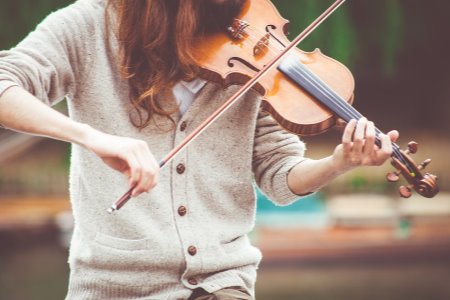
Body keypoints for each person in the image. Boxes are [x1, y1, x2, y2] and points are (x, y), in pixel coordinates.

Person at [0, 0, 398, 299]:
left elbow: (280, 175)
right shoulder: (86, 26)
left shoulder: (251, 50)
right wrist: (90, 136)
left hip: (222, 283)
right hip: (114, 285)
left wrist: (338, 162)